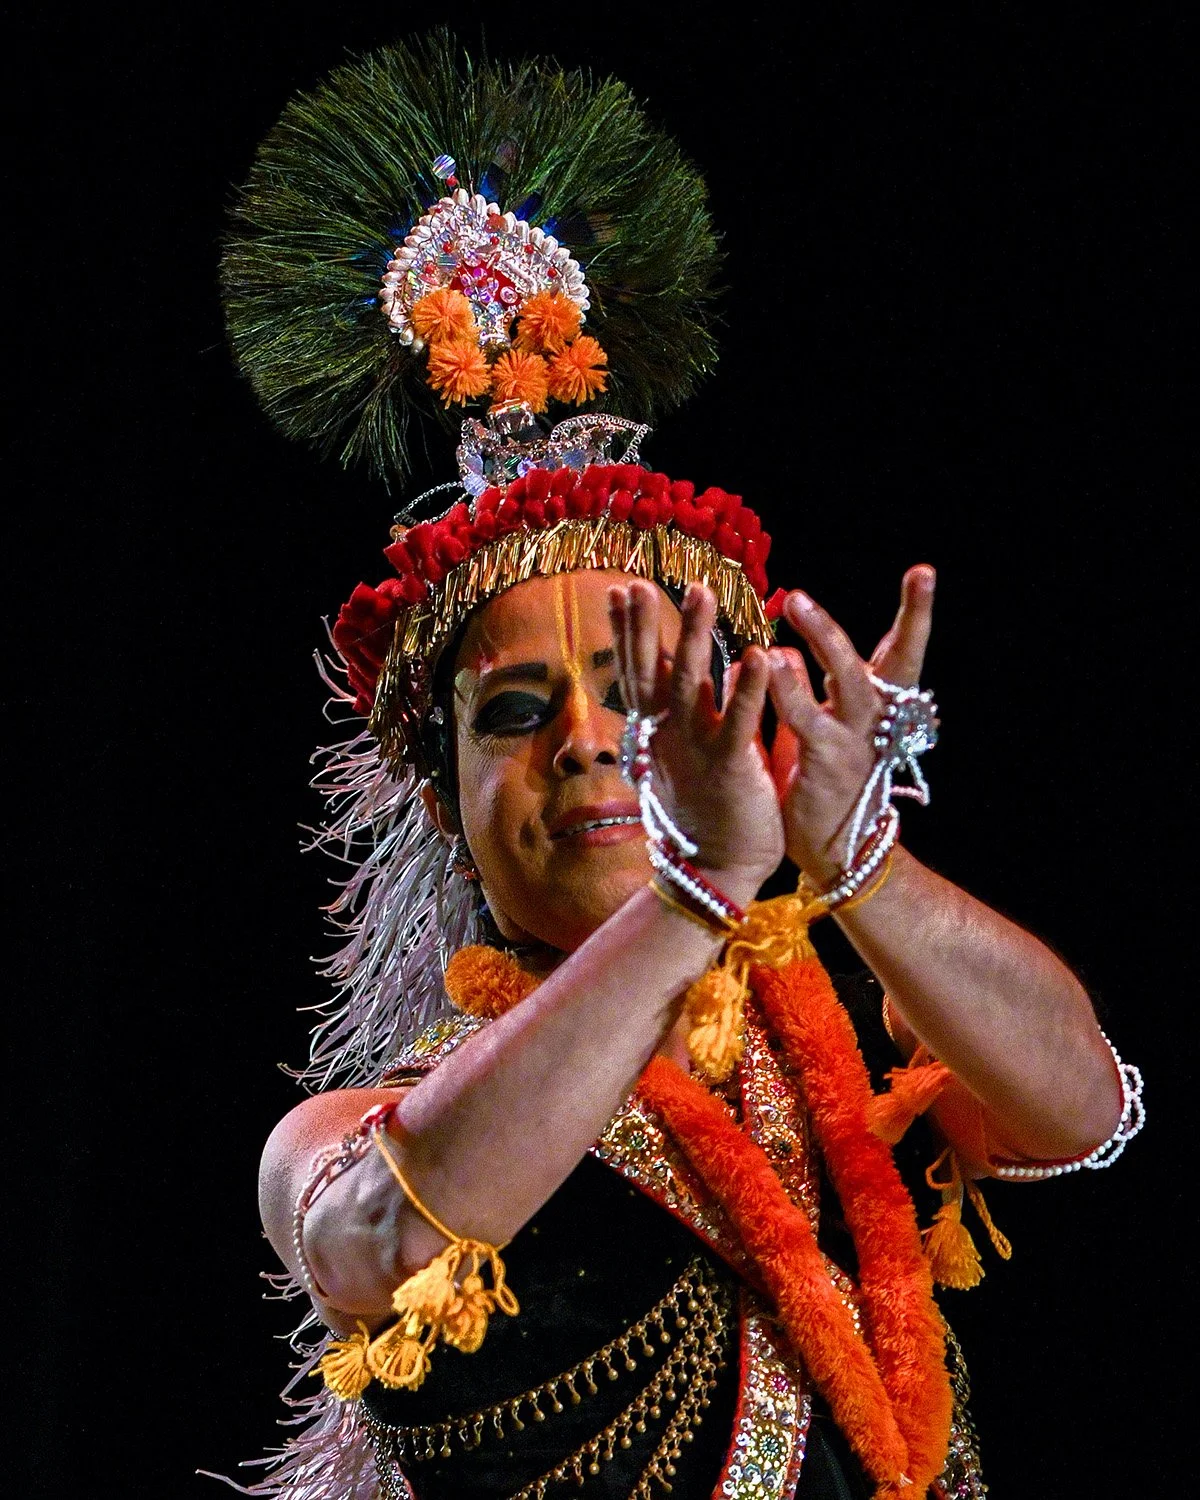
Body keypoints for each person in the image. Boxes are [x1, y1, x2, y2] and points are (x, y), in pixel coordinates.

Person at [220, 35, 1144, 1500]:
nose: (584, 737)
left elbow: (1081, 1106)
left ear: (749, 719)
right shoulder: (363, 1130)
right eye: (515, 713)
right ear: (447, 799)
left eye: (635, 689)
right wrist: (699, 890)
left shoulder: (852, 1073)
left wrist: (861, 860)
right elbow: (384, 1240)